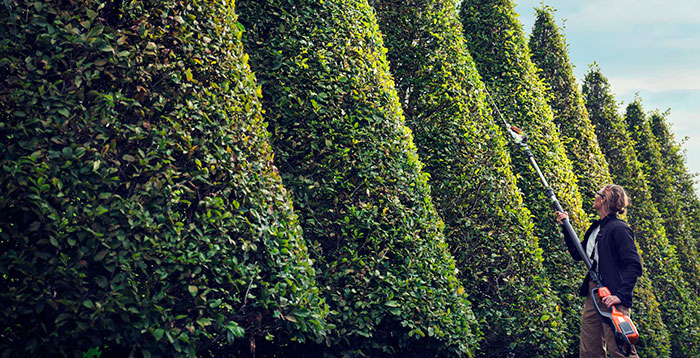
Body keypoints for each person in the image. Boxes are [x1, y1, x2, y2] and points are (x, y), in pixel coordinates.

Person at [555, 184, 642, 358]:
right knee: (589, 351)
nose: (595, 196)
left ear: (604, 200)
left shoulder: (619, 229)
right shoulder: (596, 228)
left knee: (620, 351)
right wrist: (566, 226)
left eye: (598, 194)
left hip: (613, 295)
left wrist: (620, 295)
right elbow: (578, 254)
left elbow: (634, 265)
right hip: (593, 293)